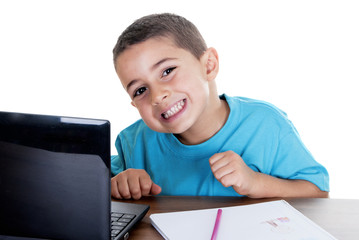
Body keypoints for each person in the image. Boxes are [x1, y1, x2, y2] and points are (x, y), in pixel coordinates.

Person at [110, 13, 329, 200]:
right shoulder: (133, 142)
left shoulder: (266, 125)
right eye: (140, 90)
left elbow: (318, 193)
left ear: (209, 65)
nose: (157, 96)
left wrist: (255, 183)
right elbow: (91, 183)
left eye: (167, 71)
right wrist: (117, 185)